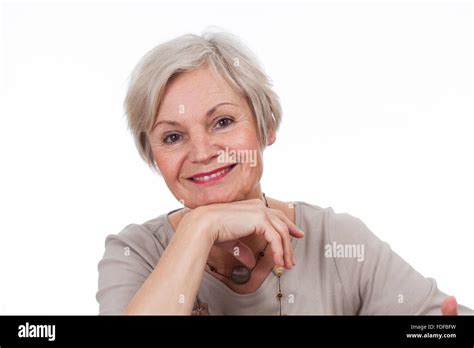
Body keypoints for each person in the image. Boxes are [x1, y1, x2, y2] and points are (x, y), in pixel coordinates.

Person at [96, 30, 472, 315]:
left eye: (223, 121)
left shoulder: (335, 241)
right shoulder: (135, 253)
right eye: (173, 136)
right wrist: (200, 227)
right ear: (153, 156)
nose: (203, 152)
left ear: (266, 127)